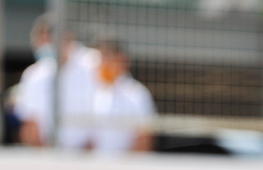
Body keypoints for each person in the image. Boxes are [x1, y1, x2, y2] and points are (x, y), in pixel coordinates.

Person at [14, 14, 100, 150]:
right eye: (41, 42)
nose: (45, 47)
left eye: (48, 40)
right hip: (47, 155)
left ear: (66, 37)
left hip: (89, 157)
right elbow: (30, 124)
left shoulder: (95, 64)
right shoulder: (33, 75)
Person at [90, 38, 156, 154]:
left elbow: (144, 139)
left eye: (109, 59)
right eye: (102, 60)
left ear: (122, 60)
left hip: (124, 168)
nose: (105, 64)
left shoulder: (137, 94)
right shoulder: (94, 92)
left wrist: (123, 169)